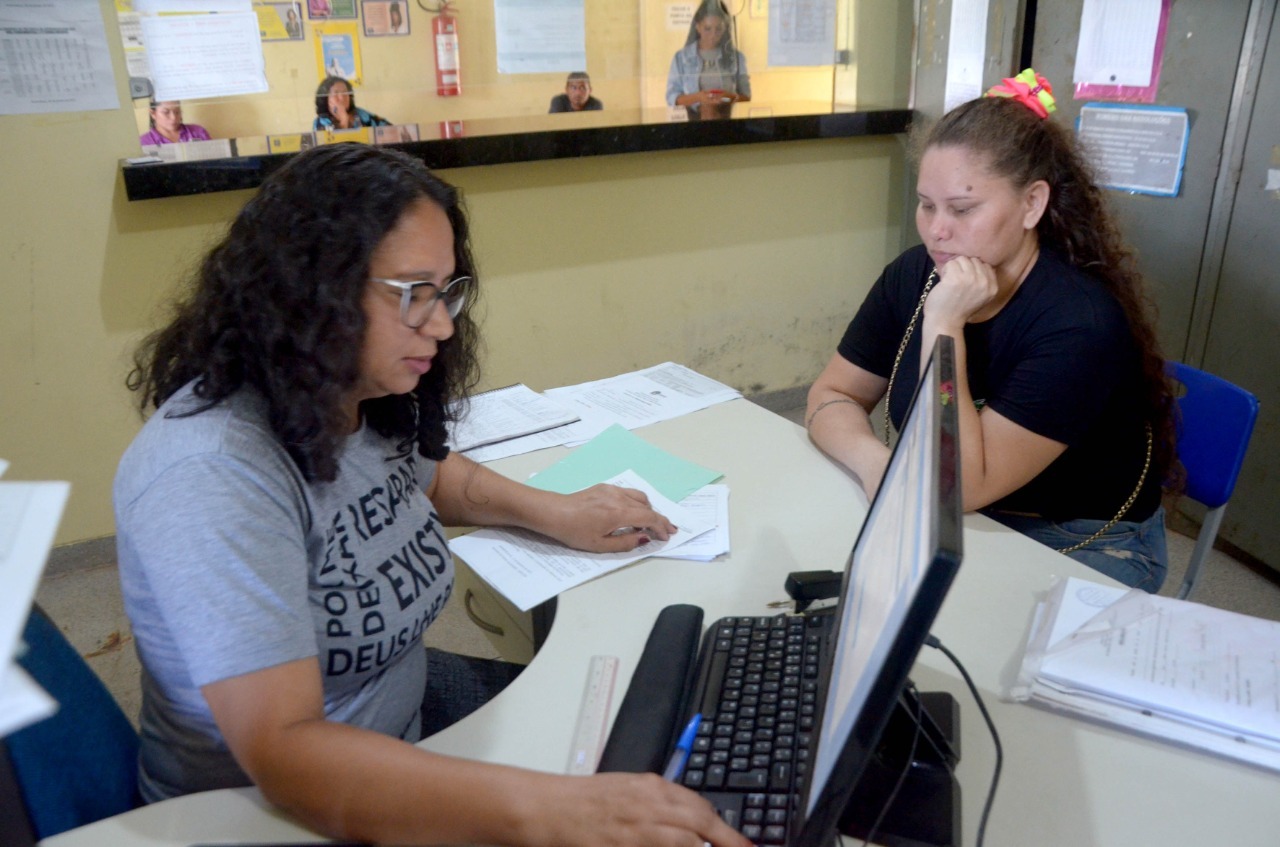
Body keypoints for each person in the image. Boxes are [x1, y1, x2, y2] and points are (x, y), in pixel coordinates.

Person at [114, 144, 747, 847]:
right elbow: (287, 752)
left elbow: (435, 476)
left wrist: (556, 509)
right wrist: (553, 810)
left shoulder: (350, 391)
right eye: (413, 293)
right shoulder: (213, 473)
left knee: (665, 738)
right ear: (308, 288)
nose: (442, 325)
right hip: (274, 809)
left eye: (446, 291)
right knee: (611, 796)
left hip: (403, 709)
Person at [806, 70, 1178, 592]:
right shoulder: (913, 272)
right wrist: (876, 465)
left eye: (962, 209)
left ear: (1032, 204)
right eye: (926, 204)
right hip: (956, 513)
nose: (937, 229)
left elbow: (962, 489)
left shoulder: (1079, 325)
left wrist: (944, 323)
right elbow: (833, 392)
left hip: (1079, 541)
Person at [665, 0, 750, 119]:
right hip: (693, 124)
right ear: (698, 27)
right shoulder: (681, 58)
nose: (713, 35)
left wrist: (726, 98)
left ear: (725, 28)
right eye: (707, 28)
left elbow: (746, 97)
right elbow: (672, 98)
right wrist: (699, 98)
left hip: (727, 122)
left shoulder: (736, 58)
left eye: (718, 29)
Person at [313, 76, 390, 131]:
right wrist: (344, 118)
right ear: (326, 99)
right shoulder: (320, 122)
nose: (342, 97)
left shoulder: (361, 114)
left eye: (345, 92)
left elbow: (389, 128)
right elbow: (336, 148)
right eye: (336, 93)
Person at [139, 100, 211, 146]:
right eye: (166, 112)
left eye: (177, 112)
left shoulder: (198, 132)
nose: (173, 117)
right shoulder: (144, 142)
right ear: (153, 113)